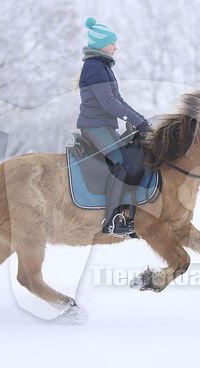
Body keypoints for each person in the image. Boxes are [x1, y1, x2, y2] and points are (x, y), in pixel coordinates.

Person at [76, 17, 151, 236]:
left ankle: (131, 216)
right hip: (94, 127)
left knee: (135, 158)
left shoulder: (103, 67)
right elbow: (108, 103)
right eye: (112, 43)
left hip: (104, 126)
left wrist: (142, 121)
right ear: (101, 45)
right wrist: (137, 121)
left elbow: (119, 100)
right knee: (121, 162)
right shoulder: (94, 68)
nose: (115, 47)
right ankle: (112, 220)